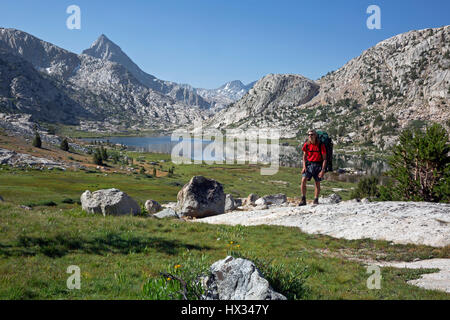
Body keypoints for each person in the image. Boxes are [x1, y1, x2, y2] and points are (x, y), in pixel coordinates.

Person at [299, 130, 327, 206]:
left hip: (318, 165)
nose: (310, 136)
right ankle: (303, 199)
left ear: (315, 136)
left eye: (312, 135)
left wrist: (322, 170)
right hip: (309, 165)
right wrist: (304, 167)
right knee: (303, 180)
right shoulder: (306, 145)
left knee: (317, 183)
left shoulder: (321, 145)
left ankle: (316, 199)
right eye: (309, 135)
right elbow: (304, 156)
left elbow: (324, 159)